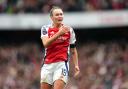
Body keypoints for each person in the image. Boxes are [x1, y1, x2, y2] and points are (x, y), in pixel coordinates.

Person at [40, 6, 80, 89]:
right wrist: (59, 33)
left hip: (61, 64)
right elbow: (45, 43)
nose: (60, 16)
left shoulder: (69, 30)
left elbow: (73, 49)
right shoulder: (45, 28)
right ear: (51, 17)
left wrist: (76, 65)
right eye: (57, 15)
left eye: (61, 14)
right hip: (47, 65)